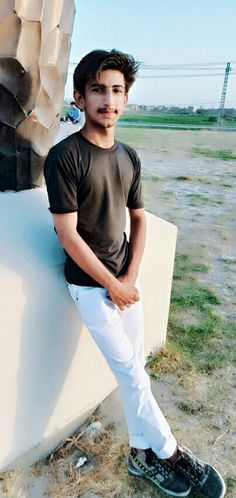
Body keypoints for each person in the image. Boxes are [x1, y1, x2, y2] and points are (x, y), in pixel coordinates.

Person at [44, 49, 226, 498]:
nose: (108, 99)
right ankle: (170, 452)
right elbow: (67, 235)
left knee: (135, 370)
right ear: (80, 96)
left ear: (126, 99)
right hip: (89, 287)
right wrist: (112, 285)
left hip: (125, 279)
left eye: (117, 91)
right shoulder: (64, 157)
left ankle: (139, 454)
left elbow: (140, 219)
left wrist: (131, 277)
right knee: (129, 372)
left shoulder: (129, 156)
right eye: (98, 90)